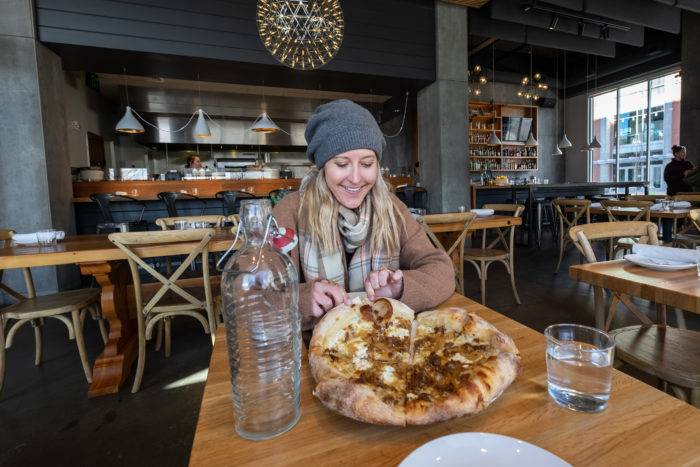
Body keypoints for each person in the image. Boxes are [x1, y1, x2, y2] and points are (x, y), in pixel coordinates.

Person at [272, 99, 455, 330]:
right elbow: (250, 291)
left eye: (367, 164)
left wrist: (400, 288)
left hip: (381, 346)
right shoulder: (291, 211)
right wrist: (300, 298)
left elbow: (442, 270)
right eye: (341, 164)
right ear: (323, 166)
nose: (356, 179)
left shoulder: (392, 210)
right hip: (311, 350)